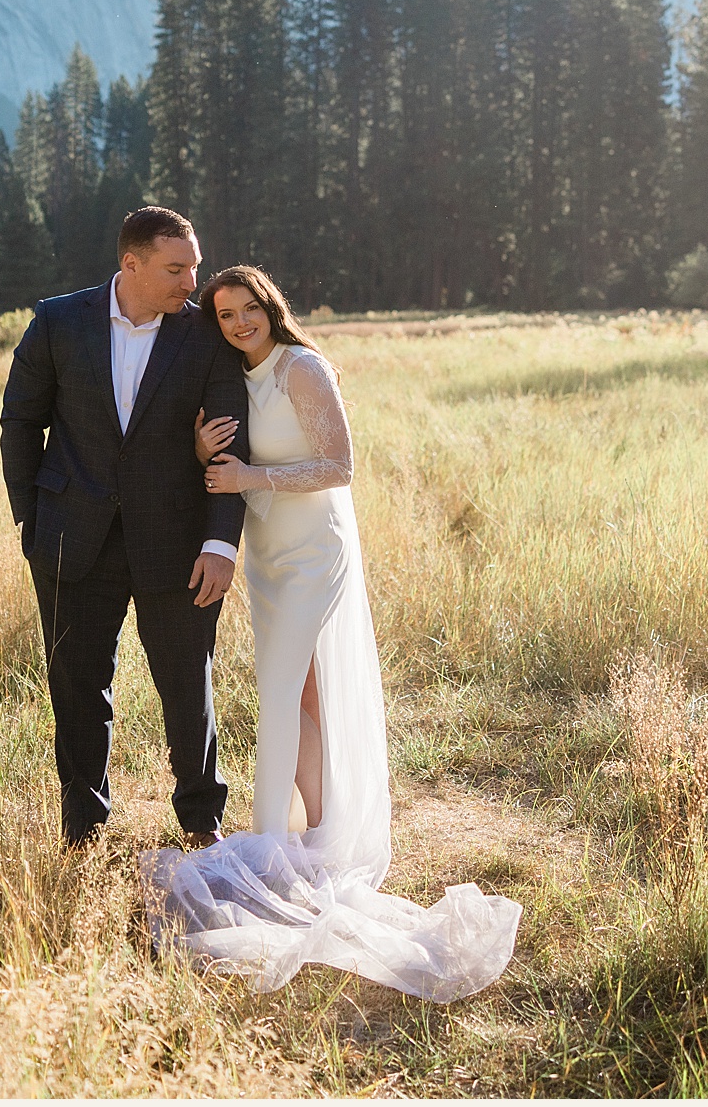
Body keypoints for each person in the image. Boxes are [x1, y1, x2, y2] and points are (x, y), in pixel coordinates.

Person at [143, 264, 520, 1003]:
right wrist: (204, 458)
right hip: (269, 555)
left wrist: (253, 478)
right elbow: (225, 471)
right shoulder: (235, 380)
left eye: (249, 309)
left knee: (280, 693)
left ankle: (273, 851)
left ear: (270, 307)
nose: (239, 323)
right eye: (224, 315)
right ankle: (319, 829)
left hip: (316, 550)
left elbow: (339, 464)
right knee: (300, 694)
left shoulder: (302, 368)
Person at [0, 206, 250, 848]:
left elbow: (230, 447)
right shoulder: (58, 322)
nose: (192, 281)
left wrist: (221, 543)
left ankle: (202, 823)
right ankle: (82, 830)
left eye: (193, 265)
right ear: (130, 264)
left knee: (187, 682)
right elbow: (20, 424)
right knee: (78, 687)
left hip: (179, 543)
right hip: (70, 541)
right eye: (176, 268)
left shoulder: (206, 335)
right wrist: (33, 521)